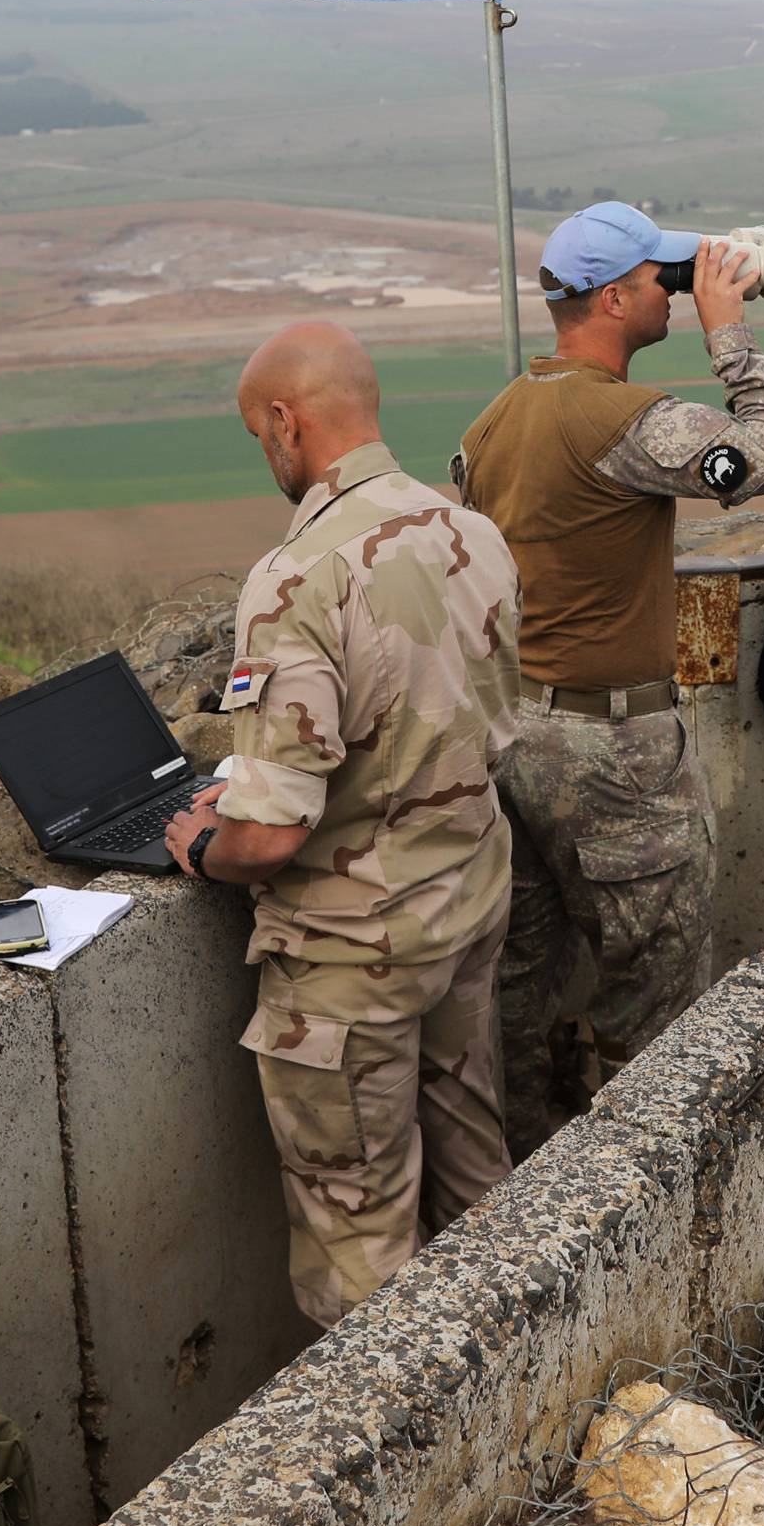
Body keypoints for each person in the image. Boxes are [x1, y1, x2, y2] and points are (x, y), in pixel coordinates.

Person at [164, 318, 521, 1329]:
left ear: (285, 422)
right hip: (469, 894)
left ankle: (404, 1470)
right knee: (477, 1173)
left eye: (257, 435)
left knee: (359, 1239)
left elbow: (272, 833)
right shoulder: (468, 529)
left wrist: (200, 840)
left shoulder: (297, 578)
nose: (265, 455)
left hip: (356, 951)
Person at [455, 203, 764, 1155]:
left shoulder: (496, 419)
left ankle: (523, 1191)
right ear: (614, 299)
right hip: (612, 752)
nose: (674, 290)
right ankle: (646, 1190)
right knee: (655, 981)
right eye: (662, 280)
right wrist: (730, 335)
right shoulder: (625, 422)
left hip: (512, 736)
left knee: (520, 983)